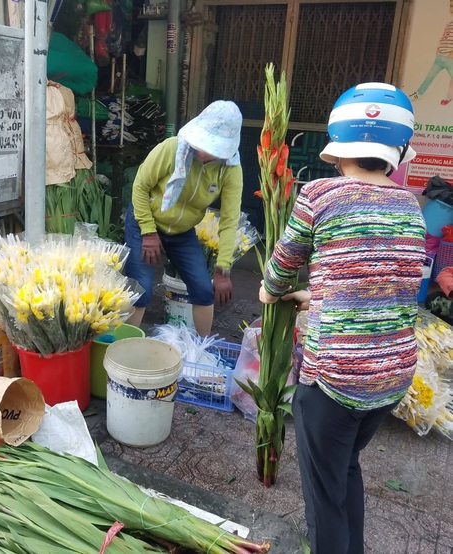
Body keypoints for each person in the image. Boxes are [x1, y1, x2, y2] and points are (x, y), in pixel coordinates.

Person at [258, 83, 426, 554]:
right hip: (392, 376)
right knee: (346, 466)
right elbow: (383, 279)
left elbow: (280, 269)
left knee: (323, 499)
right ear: (397, 149)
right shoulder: (410, 206)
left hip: (336, 379)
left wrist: (271, 292)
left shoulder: (319, 194)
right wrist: (322, 294)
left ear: (337, 149)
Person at [124, 100, 243, 337]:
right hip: (145, 223)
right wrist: (148, 232)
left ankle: (202, 348)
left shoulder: (230, 169)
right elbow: (140, 187)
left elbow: (230, 220)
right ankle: (121, 346)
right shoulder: (171, 148)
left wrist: (223, 269)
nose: (202, 150)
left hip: (181, 232)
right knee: (142, 290)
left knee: (202, 288)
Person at [409, 0, 453, 105]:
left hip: (450, 59)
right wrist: (438, 48)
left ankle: (448, 97)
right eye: (451, 6)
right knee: (429, 76)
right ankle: (419, 93)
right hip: (440, 56)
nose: (452, 9)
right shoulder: (449, 24)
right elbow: (444, 37)